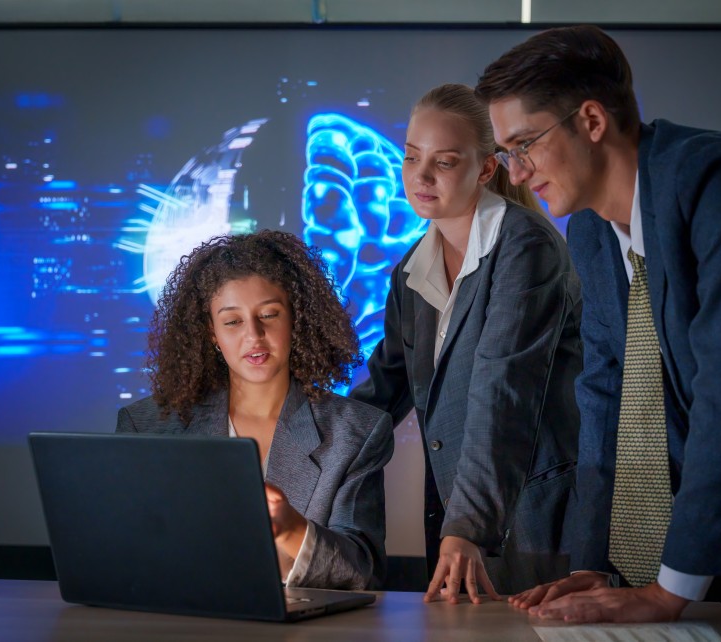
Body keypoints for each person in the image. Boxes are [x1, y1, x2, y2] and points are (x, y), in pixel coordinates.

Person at [475, 24, 721, 632]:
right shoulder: (592, 231)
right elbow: (605, 397)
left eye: (524, 145)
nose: (515, 174)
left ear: (591, 120)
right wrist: (597, 564)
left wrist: (668, 591)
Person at [350, 82, 583, 603]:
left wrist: (468, 527)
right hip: (461, 522)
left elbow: (504, 390)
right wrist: (296, 440)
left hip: (535, 522)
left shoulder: (526, 247)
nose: (421, 176)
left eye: (445, 161)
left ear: (485, 168)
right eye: (412, 157)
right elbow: (383, 394)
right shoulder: (411, 271)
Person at [116, 230, 394, 591]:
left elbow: (363, 571)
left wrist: (292, 529)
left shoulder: (356, 432)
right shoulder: (145, 426)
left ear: (297, 318)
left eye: (269, 314)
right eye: (232, 321)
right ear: (211, 333)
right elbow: (126, 553)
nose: (254, 335)